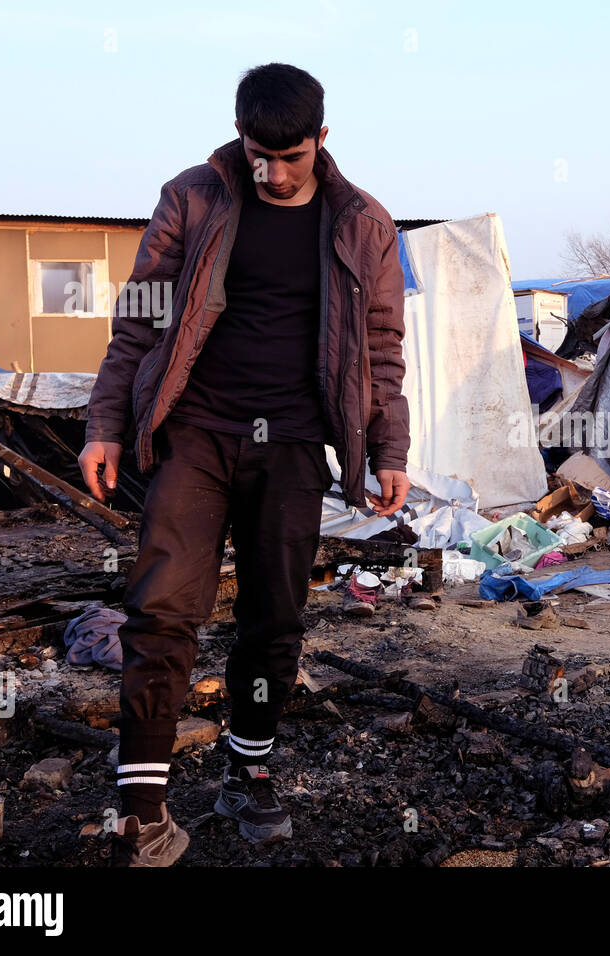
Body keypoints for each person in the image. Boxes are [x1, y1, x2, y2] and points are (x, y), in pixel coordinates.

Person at [78, 62, 410, 866]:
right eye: (259, 152)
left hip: (294, 444)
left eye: (290, 155)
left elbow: (381, 349)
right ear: (240, 137)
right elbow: (139, 324)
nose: (273, 171)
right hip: (195, 433)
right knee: (160, 612)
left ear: (321, 140)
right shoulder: (193, 197)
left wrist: (390, 447)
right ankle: (142, 814)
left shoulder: (363, 223)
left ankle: (247, 772)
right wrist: (105, 426)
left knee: (273, 623)